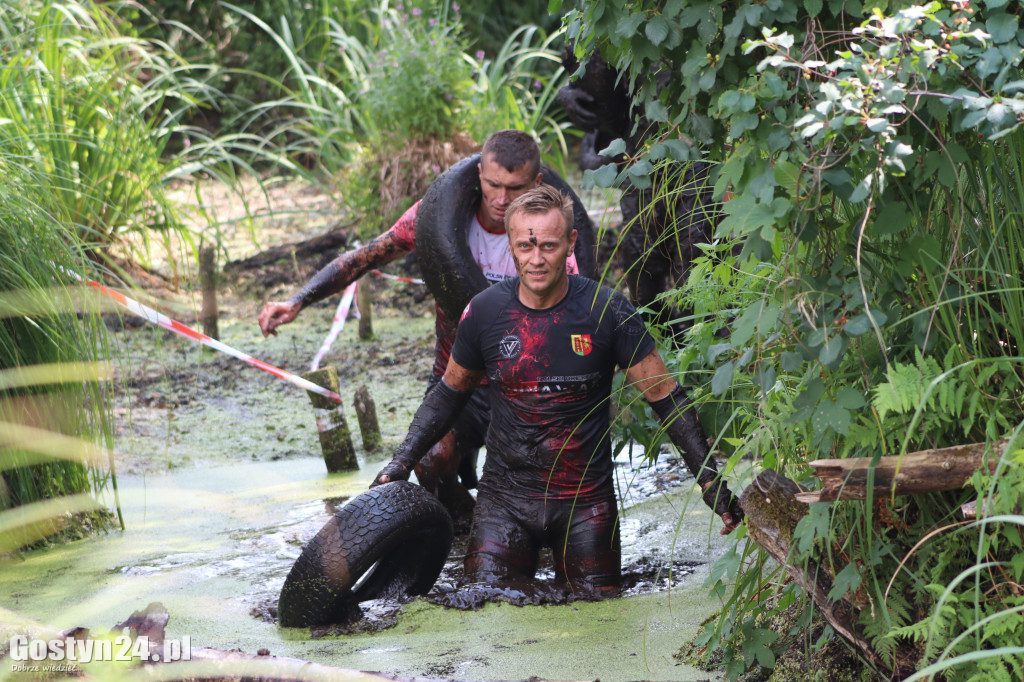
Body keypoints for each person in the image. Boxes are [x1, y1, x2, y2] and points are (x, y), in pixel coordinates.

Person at [372, 184, 743, 598]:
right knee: (485, 609)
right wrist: (399, 463)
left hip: (586, 506)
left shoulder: (608, 311)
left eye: (548, 246)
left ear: (570, 242)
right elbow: (447, 395)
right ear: (510, 245)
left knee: (598, 615)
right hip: (503, 502)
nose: (536, 259)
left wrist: (713, 486)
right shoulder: (484, 313)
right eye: (525, 247)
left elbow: (667, 400)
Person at [257, 130, 579, 522]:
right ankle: (465, 524)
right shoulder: (439, 216)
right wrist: (297, 300)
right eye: (493, 184)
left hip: (523, 379)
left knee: (535, 482)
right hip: (457, 378)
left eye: (515, 189)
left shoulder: (550, 238)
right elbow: (366, 257)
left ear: (537, 183)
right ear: (478, 173)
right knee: (431, 461)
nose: (500, 199)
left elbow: (569, 317)